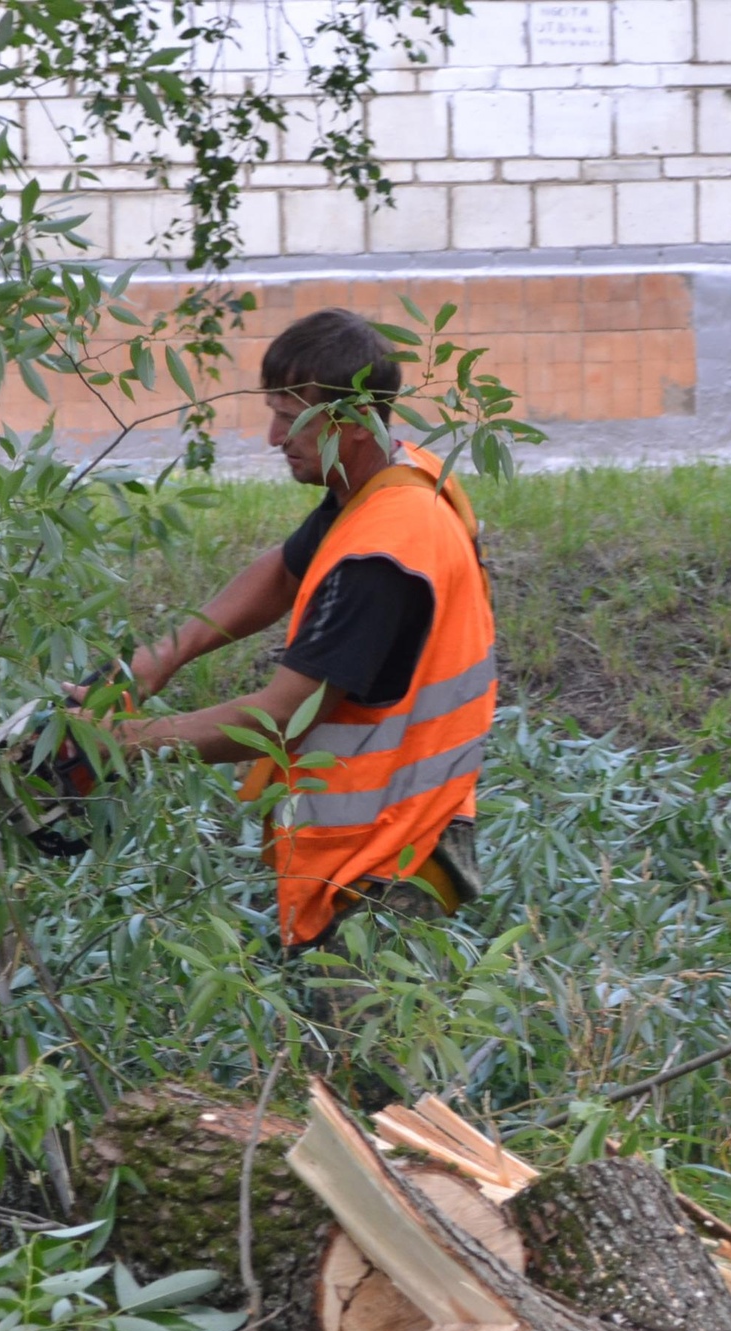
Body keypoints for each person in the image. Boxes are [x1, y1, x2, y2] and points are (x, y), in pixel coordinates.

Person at [102, 307, 496, 960]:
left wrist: (123, 742)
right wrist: (155, 662)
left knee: (368, 1056)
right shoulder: (393, 482)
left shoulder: (382, 558)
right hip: (398, 833)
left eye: (290, 417)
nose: (272, 436)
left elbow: (276, 720)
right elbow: (284, 573)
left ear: (352, 422)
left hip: (382, 860)